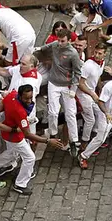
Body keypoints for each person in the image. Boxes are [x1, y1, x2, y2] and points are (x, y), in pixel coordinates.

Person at [0, 86, 63, 195]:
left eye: (30, 98)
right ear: (20, 96)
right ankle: (20, 184)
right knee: (29, 157)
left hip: (8, 133)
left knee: (12, 153)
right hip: (15, 137)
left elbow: (0, 107)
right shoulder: (20, 112)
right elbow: (28, 134)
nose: (29, 101)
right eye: (26, 99)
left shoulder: (12, 95)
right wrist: (48, 141)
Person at [35, 29, 83, 157]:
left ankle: (74, 141)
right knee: (53, 112)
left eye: (63, 41)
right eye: (59, 40)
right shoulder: (55, 45)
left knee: (71, 114)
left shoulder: (73, 54)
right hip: (53, 83)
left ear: (69, 41)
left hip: (66, 86)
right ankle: (53, 133)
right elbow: (43, 49)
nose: (60, 43)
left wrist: (73, 89)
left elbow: (77, 72)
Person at [0, 0, 36, 66]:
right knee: (26, 62)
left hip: (19, 38)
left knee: (9, 63)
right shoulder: (6, 9)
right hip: (31, 33)